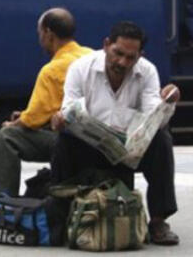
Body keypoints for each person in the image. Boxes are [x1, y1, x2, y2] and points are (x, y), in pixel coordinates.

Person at [51, 21, 181, 245]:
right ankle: (61, 218)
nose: (122, 62)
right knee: (63, 141)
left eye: (130, 58)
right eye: (117, 53)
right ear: (106, 45)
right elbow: (69, 109)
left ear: (140, 56)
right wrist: (60, 120)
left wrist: (166, 105)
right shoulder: (80, 69)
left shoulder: (147, 72)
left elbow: (154, 119)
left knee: (162, 140)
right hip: (89, 148)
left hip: (129, 153)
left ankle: (158, 221)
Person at [0, 8, 92, 196]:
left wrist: (14, 123)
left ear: (49, 34)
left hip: (68, 141)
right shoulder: (90, 55)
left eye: (39, 33)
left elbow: (32, 120)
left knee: (8, 135)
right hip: (93, 137)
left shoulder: (52, 69)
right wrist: (25, 115)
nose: (39, 38)